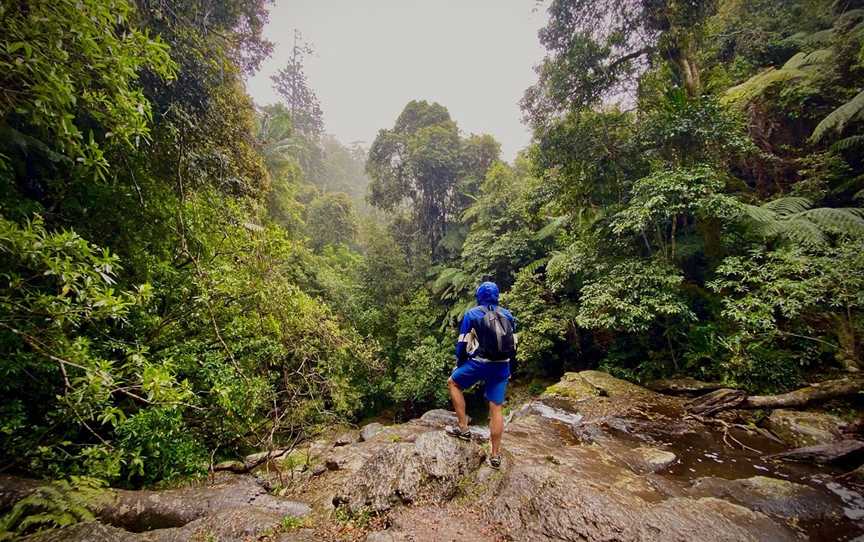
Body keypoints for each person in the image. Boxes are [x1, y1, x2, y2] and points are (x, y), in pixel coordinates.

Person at [445, 281, 516, 469]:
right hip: (502, 366)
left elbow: (462, 343)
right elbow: (512, 344)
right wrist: (509, 369)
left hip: (479, 364)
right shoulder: (508, 315)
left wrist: (460, 364)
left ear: (479, 296)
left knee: (453, 383)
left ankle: (463, 428)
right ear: (497, 296)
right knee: (496, 408)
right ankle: (495, 455)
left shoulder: (472, 314)